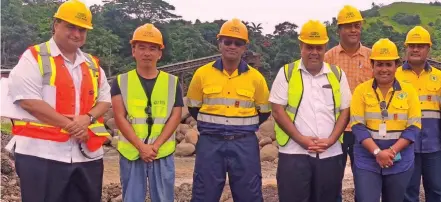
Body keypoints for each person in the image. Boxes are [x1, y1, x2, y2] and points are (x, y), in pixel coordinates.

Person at [7, 0, 111, 201]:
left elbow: (105, 100)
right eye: (71, 27)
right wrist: (73, 126)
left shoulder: (92, 64)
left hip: (87, 156)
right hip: (41, 155)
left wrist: (88, 118)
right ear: (56, 24)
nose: (77, 34)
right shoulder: (33, 58)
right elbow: (28, 101)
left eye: (82, 29)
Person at [187, 18, 271, 202]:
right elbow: (193, 107)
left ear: (244, 47)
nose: (232, 46)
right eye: (228, 41)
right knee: (204, 194)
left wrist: (240, 127)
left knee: (249, 195)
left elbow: (264, 111)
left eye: (238, 43)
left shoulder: (256, 79)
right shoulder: (202, 74)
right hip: (210, 142)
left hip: (244, 144)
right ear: (220, 44)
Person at [270, 20, 351, 202]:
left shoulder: (337, 75)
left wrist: (330, 141)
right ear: (301, 46)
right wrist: (302, 140)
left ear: (325, 48)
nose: (314, 52)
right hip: (294, 153)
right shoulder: (287, 73)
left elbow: (345, 111)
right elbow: (277, 111)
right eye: (309, 47)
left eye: (319, 48)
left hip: (330, 153)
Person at [111, 23, 183, 202]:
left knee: (164, 198)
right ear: (133, 50)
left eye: (152, 48)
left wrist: (155, 146)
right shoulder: (121, 81)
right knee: (132, 198)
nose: (147, 53)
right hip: (132, 153)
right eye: (141, 47)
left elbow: (175, 116)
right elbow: (119, 116)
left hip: (162, 152)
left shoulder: (172, 83)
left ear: (160, 53)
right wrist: (141, 147)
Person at [350, 38, 422, 202]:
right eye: (379, 64)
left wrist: (391, 152)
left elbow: (414, 127)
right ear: (372, 65)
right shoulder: (361, 91)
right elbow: (358, 126)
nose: (384, 69)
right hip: (367, 159)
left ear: (396, 65)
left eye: (388, 64)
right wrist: (377, 152)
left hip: (399, 158)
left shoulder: (409, 92)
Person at [324, 6, 372, 202]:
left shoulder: (372, 57)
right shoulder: (328, 58)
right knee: (332, 182)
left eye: (357, 26)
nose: (353, 30)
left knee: (365, 183)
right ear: (339, 30)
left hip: (365, 131)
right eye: (348, 26)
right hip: (335, 131)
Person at [397, 26, 441, 202]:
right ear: (406, 47)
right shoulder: (395, 76)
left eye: (420, 45)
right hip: (405, 146)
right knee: (408, 192)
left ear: (428, 49)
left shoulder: (439, 77)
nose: (415, 49)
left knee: (437, 191)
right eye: (412, 45)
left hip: (435, 146)